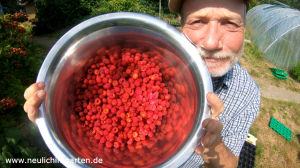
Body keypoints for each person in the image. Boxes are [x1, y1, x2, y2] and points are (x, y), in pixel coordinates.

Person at [23, 0, 260, 167]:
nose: (211, 41)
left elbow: (229, 165)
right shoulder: (159, 60)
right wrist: (48, 119)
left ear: (245, 29)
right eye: (198, 21)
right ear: (181, 26)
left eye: (231, 23)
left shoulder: (246, 94)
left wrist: (213, 145)